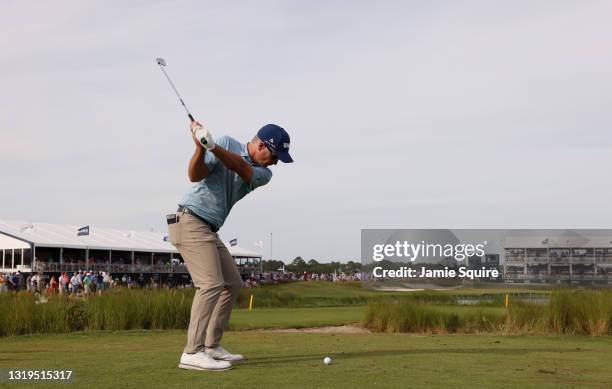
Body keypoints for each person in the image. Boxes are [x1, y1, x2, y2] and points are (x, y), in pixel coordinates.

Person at [168, 121, 292, 371]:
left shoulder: (264, 174)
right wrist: (200, 148)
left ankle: (211, 346)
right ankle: (192, 351)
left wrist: (211, 146)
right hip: (189, 219)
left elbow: (240, 168)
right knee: (211, 284)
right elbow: (194, 175)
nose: (276, 162)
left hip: (209, 228)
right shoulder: (225, 143)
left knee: (232, 283)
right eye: (275, 155)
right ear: (261, 145)